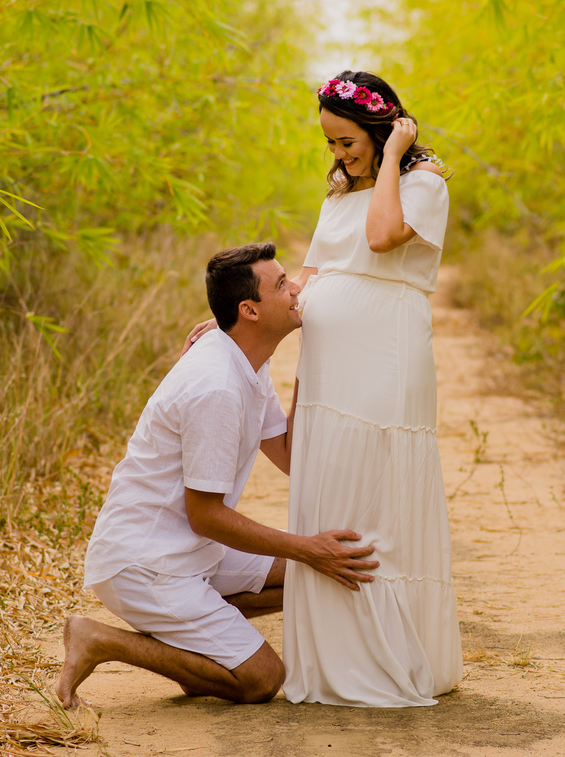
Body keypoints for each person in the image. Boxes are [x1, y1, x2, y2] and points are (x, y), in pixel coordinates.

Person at [185, 72, 462, 707]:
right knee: (329, 486)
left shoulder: (423, 184)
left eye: (347, 141)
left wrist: (393, 157)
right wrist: (233, 321)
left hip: (387, 358)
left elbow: (383, 237)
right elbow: (304, 280)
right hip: (330, 365)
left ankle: (397, 654)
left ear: (380, 127)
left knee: (378, 495)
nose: (338, 154)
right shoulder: (337, 195)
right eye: (330, 143)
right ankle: (339, 659)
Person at [56, 242, 378, 709]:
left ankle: (199, 645)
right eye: (283, 285)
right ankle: (100, 640)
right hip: (146, 563)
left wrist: (311, 369)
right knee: (261, 679)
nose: (296, 290)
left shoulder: (245, 358)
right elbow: (206, 516)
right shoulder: (217, 387)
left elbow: (289, 455)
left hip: (188, 553)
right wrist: (308, 548)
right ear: (249, 310)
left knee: (310, 576)